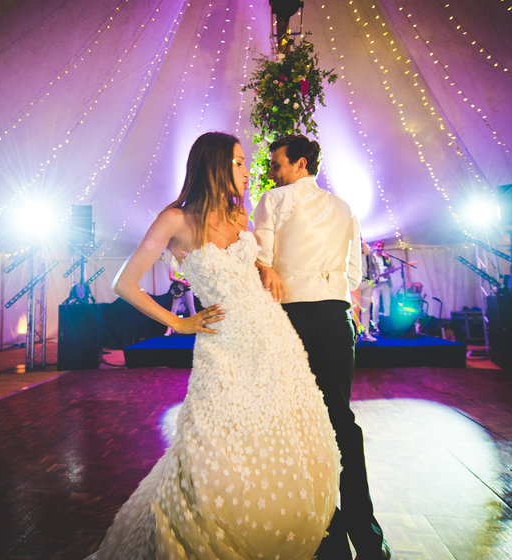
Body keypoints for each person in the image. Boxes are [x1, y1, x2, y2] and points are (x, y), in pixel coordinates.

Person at [89, 132, 341, 559]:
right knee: (215, 443)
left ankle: (274, 527)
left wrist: (265, 268)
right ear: (216, 165)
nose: (248, 171)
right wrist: (178, 323)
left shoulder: (238, 216)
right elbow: (124, 283)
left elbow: (249, 262)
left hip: (274, 339)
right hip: (223, 345)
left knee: (284, 433)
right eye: (240, 162)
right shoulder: (175, 220)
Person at [254, 134, 391, 560]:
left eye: (277, 164)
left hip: (290, 318)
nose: (272, 172)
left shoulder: (272, 202)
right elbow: (354, 272)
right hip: (335, 316)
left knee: (298, 423)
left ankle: (323, 532)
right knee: (341, 422)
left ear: (299, 163)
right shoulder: (344, 208)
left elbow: (261, 259)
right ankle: (368, 536)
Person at [164, 254, 196, 336]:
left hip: (187, 286)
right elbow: (171, 276)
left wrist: (188, 281)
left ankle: (196, 328)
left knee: (191, 307)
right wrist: (182, 282)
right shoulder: (173, 261)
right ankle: (169, 330)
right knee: (173, 309)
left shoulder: (188, 262)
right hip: (178, 287)